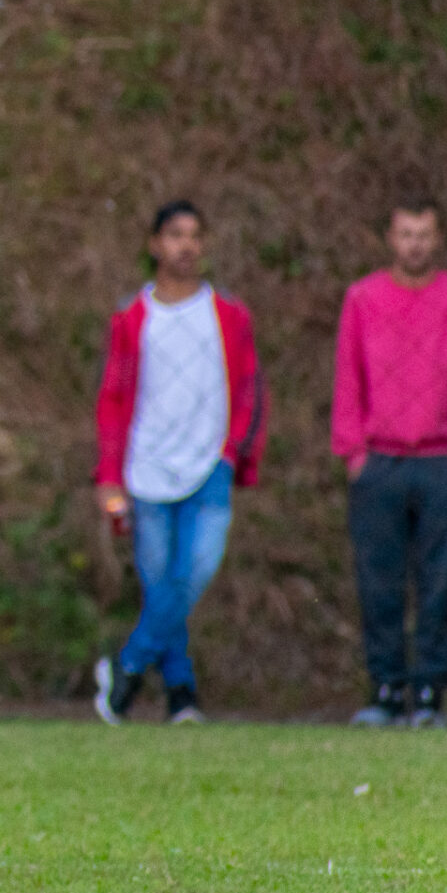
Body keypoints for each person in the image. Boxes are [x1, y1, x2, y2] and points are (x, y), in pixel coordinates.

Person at [91, 201, 266, 726]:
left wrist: (235, 453)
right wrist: (109, 476)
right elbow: (114, 398)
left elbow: (250, 388)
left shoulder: (229, 314)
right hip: (146, 469)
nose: (185, 246)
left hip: (210, 463)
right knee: (161, 584)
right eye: (174, 235)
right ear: (154, 244)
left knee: (194, 574)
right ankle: (181, 694)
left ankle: (127, 666)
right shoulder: (132, 317)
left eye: (194, 235)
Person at [333, 197, 447, 728]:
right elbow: (348, 375)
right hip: (379, 461)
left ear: (438, 238)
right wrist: (353, 449)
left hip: (442, 461)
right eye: (405, 233)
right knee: (378, 579)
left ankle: (429, 693)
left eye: (424, 233)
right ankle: (384, 688)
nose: (415, 244)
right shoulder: (363, 298)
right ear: (390, 238)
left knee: (439, 580)